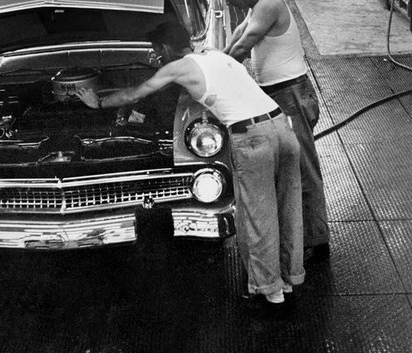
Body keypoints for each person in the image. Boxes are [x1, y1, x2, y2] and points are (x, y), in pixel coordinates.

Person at [76, 21, 304, 315]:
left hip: (253, 139)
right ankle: (289, 279)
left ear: (166, 48)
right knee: (288, 208)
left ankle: (270, 292)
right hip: (281, 127)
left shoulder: (181, 66)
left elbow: (137, 93)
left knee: (257, 216)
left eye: (156, 51)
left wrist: (98, 103)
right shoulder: (218, 56)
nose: (156, 58)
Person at [217, 0, 330, 265]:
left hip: (291, 93)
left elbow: (242, 47)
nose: (228, 4)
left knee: (304, 165)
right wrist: (214, 62)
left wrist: (215, 75)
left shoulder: (270, 3)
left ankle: (318, 238)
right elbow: (233, 40)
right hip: (277, 95)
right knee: (288, 165)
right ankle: (300, 233)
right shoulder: (255, 7)